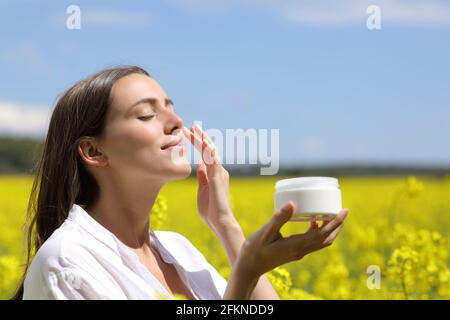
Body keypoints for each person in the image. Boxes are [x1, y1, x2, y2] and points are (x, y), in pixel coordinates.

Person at [13, 66, 349, 300]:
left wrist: (226, 225)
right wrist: (245, 273)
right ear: (93, 150)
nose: (176, 122)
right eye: (146, 114)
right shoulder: (68, 262)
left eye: (171, 109)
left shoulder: (179, 250)